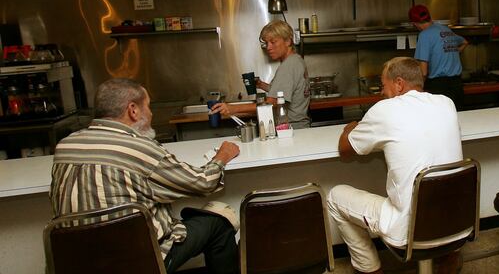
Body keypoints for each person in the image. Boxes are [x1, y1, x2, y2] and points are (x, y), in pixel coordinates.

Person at [50, 78, 241, 274]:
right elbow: (202, 183)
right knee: (219, 224)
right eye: (147, 106)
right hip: (136, 260)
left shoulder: (65, 146)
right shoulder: (138, 148)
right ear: (133, 110)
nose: (150, 113)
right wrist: (222, 156)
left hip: (75, 262)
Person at [327, 57, 464, 274]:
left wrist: (351, 127)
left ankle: (371, 270)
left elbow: (345, 150)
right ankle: (447, 259)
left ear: (399, 83)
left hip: (409, 231)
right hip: (457, 224)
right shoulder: (446, 103)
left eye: (383, 85)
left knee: (335, 196)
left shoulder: (385, 110)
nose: (382, 92)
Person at [213, 20, 311, 129]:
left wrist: (233, 108)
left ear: (288, 41)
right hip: (299, 127)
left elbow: (272, 102)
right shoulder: (297, 60)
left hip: (291, 129)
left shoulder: (288, 65)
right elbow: (283, 92)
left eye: (273, 42)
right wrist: (261, 85)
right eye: (266, 43)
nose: (268, 47)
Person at [408, 4, 468, 108]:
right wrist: (452, 52)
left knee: (441, 121)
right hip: (457, 84)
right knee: (458, 118)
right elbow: (465, 42)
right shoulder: (445, 29)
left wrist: (417, 88)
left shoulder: (424, 35)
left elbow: (424, 71)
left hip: (440, 87)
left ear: (414, 23)